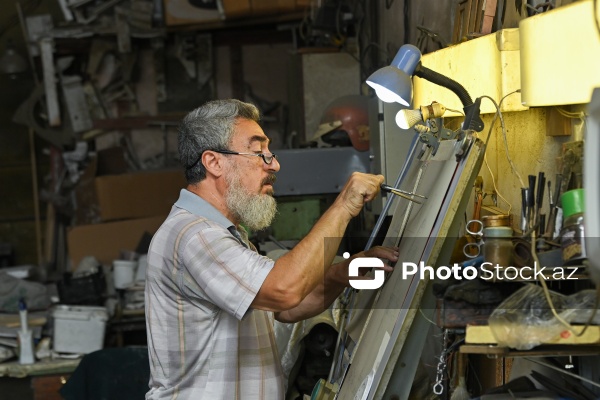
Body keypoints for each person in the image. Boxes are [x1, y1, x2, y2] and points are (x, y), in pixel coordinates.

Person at [144, 99, 399, 399]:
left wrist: (344, 274)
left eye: (270, 152)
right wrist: (343, 206)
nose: (274, 163)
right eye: (258, 152)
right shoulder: (194, 236)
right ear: (213, 162)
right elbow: (285, 290)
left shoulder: (227, 234)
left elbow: (287, 307)